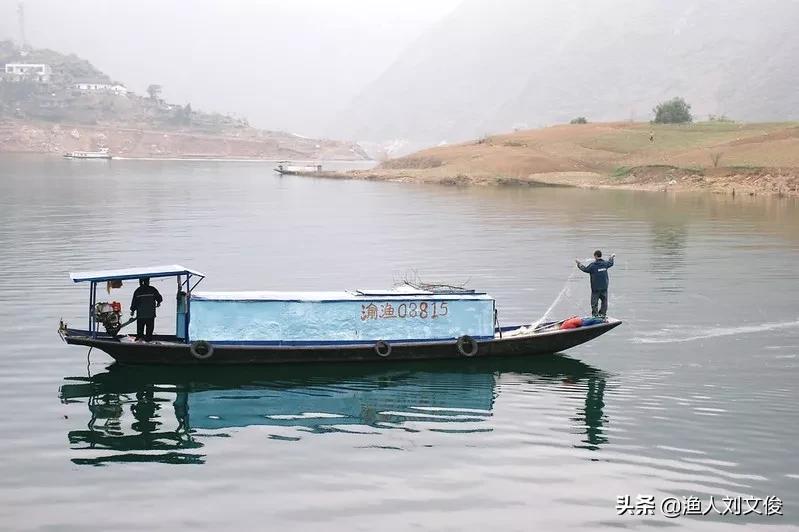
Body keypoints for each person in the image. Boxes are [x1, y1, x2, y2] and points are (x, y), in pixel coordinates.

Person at [575, 250, 615, 318]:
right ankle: (602, 315)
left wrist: (578, 263)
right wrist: (612, 257)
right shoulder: (605, 264)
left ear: (595, 256)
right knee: (604, 303)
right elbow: (611, 263)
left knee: (594, 304)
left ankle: (595, 316)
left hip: (595, 289)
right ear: (600, 255)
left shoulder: (593, 266)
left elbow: (585, 269)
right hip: (604, 288)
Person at [130, 277, 163, 342]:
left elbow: (134, 303)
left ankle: (139, 343)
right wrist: (158, 302)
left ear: (140, 282)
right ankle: (148, 343)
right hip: (150, 315)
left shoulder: (137, 291)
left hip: (140, 316)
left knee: (139, 333)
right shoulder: (152, 289)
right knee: (149, 333)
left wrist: (132, 311)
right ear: (148, 281)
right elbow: (160, 298)